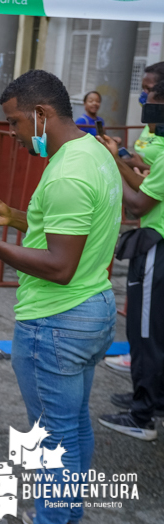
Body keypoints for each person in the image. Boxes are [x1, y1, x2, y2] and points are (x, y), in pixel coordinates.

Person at [0, 69, 121, 524]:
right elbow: (66, 235)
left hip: (57, 320)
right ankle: (68, 520)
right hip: (92, 308)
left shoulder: (66, 172)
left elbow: (60, 264)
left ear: (42, 114)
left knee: (52, 442)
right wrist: (15, 219)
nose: (17, 135)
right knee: (73, 427)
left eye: (18, 124)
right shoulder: (92, 152)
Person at [95, 78, 164, 441]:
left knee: (146, 331)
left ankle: (142, 417)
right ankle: (153, 397)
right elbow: (142, 182)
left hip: (158, 246)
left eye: (151, 99)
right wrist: (118, 157)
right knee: (151, 329)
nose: (144, 104)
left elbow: (137, 203)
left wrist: (110, 162)